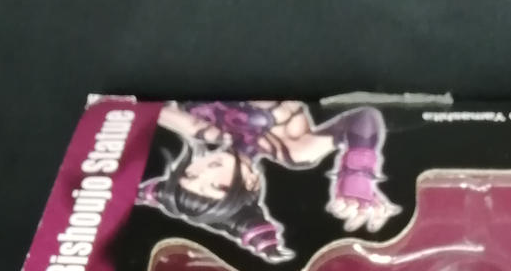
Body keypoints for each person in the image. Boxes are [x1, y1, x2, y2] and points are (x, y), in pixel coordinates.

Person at [138, 100, 400, 260]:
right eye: (217, 186)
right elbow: (364, 117)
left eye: (190, 175)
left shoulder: (200, 130)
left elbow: (144, 106)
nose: (205, 172)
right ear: (252, 184)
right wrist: (357, 177)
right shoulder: (293, 151)